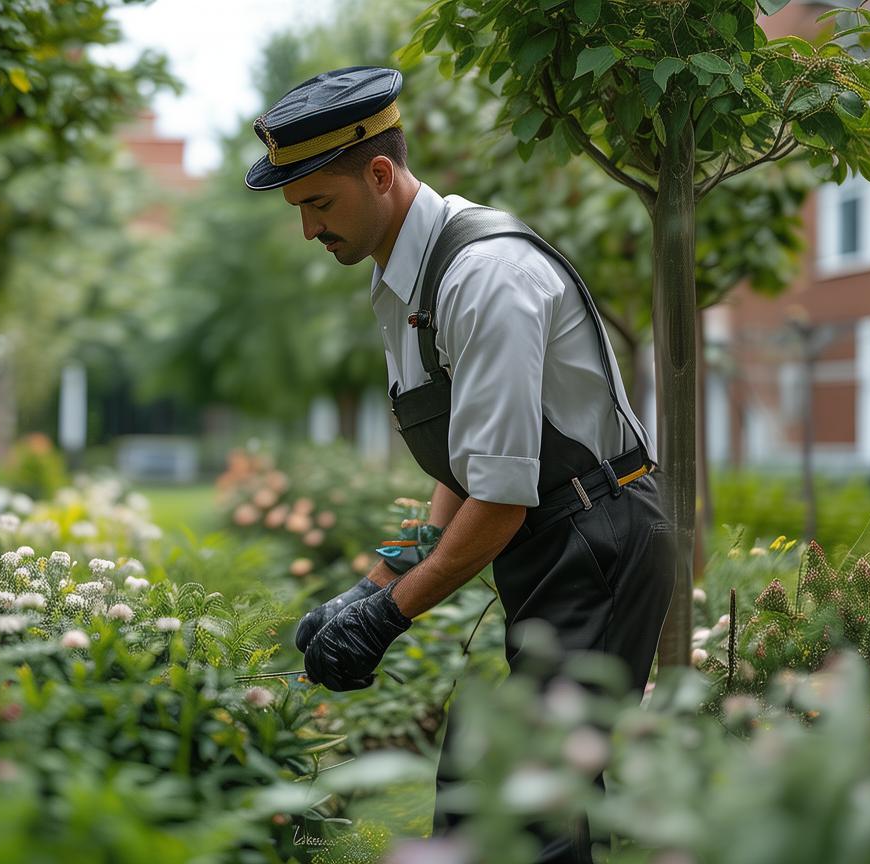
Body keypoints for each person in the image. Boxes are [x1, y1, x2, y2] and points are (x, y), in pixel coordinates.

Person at [246, 66, 675, 862]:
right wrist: (370, 587)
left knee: (517, 811)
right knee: (499, 794)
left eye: (317, 203)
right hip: (558, 539)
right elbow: (468, 463)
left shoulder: (483, 278)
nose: (307, 230)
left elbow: (501, 501)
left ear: (379, 174)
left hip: (598, 540)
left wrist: (387, 618)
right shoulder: (404, 276)